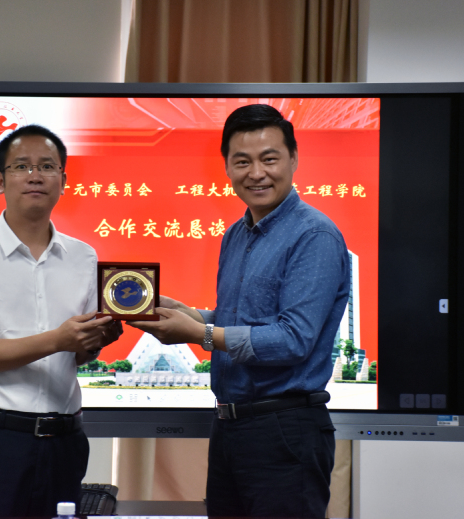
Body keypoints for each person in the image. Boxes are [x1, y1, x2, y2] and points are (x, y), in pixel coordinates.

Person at [130, 104, 350, 518]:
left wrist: (199, 335)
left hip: (285, 430)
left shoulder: (314, 234)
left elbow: (294, 338)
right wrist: (189, 315)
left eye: (269, 159)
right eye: (242, 161)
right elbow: (240, 319)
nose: (256, 173)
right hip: (230, 427)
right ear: (227, 167)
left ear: (293, 160)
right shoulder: (235, 234)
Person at [0, 124, 121, 518]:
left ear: (63, 181)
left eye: (47, 167)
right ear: (0, 181)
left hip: (64, 443)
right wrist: (58, 339)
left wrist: (95, 341)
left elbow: (77, 355)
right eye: (22, 166)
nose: (35, 175)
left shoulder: (84, 257)